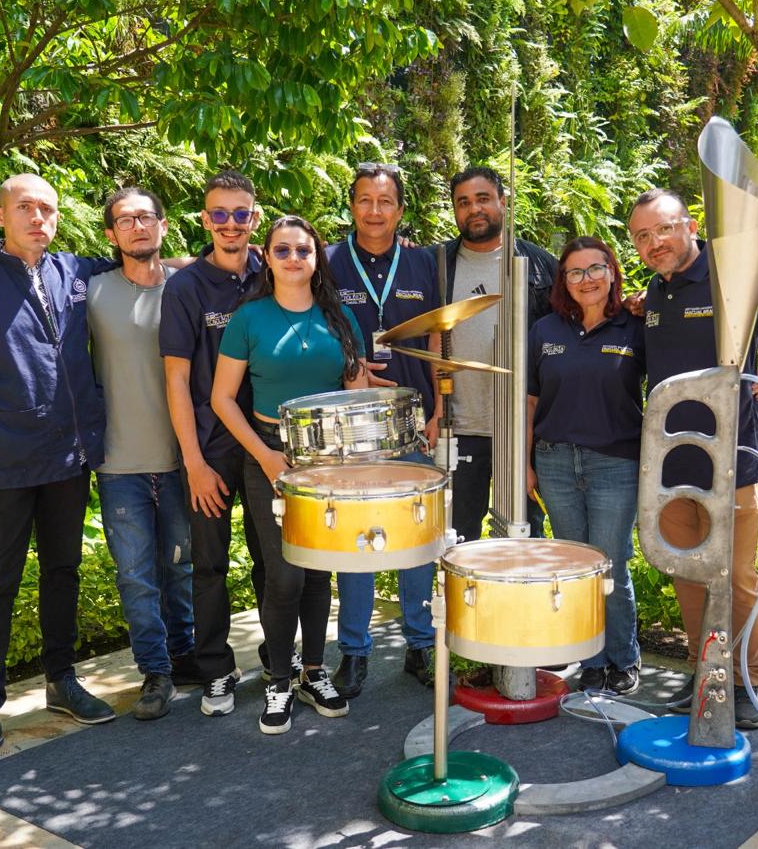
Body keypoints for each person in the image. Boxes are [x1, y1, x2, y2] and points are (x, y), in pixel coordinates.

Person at [0, 173, 116, 780]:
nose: (39, 217)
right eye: (26, 207)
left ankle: (62, 680)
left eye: (49, 209)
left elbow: (149, 259)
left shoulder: (75, 273)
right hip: (0, 462)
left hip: (66, 457)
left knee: (63, 570)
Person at [627, 187, 758, 730]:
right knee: (686, 572)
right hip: (670, 464)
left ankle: (746, 683)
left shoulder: (735, 275)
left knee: (734, 577)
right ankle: (705, 672)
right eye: (642, 237)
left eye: (664, 229)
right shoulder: (655, 295)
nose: (655, 243)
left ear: (691, 224)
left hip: (731, 464)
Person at [211, 215, 368, 735]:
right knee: (283, 575)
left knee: (318, 571)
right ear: (268, 257)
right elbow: (222, 399)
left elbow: (354, 393)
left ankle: (314, 672)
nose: (294, 258)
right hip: (270, 455)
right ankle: (280, 677)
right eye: (283, 250)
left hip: (326, 459)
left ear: (316, 258)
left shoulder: (341, 317)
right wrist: (263, 455)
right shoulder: (249, 318)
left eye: (304, 250)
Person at [160, 171, 286, 718]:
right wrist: (192, 462)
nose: (230, 224)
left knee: (273, 560)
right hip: (210, 448)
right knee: (208, 564)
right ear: (205, 219)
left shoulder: (272, 272)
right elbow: (175, 380)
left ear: (254, 219)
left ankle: (278, 661)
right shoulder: (185, 288)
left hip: (268, 445)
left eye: (241, 214)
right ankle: (215, 669)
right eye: (219, 214)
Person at [324, 163, 441, 697]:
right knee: (358, 542)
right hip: (351, 429)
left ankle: (420, 645)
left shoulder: (422, 263)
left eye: (386, 201)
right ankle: (353, 651)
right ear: (352, 207)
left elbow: (437, 337)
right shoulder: (326, 261)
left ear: (399, 208)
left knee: (415, 538)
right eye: (365, 200)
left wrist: (438, 404)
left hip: (413, 420)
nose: (375, 210)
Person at [88, 187, 194, 720]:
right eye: (125, 220)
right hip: (117, 463)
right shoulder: (89, 291)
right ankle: (155, 672)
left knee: (182, 568)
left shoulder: (186, 289)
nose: (137, 226)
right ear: (110, 234)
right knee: (135, 575)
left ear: (163, 226)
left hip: (180, 460)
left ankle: (186, 655)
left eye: (146, 217)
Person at [526, 237, 644, 694]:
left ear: (612, 272)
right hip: (555, 463)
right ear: (563, 281)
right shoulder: (546, 330)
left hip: (615, 463)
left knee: (609, 564)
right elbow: (532, 399)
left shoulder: (634, 328)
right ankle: (591, 659)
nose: (586, 279)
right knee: (576, 567)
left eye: (596, 268)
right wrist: (526, 464)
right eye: (575, 272)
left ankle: (624, 658)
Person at [434, 166, 555, 543]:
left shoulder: (541, 266)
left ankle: (518, 604)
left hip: (521, 428)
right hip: (461, 425)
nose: (474, 209)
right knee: (458, 538)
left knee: (521, 536)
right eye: (463, 203)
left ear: (503, 202)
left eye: (483, 199)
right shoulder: (435, 264)